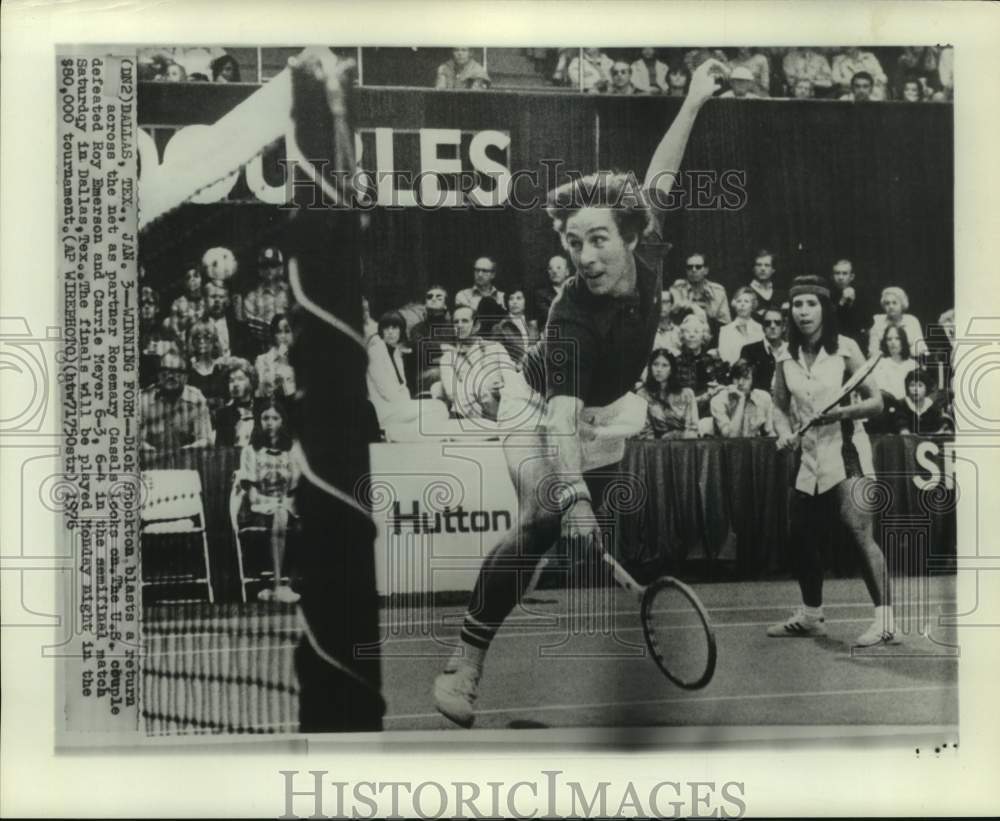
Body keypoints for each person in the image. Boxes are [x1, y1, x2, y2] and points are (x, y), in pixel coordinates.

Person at [432, 57, 728, 727]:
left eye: (598, 239)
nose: (586, 255)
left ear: (631, 236)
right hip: (536, 407)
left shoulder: (648, 253)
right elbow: (557, 422)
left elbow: (662, 175)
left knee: (570, 526)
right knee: (543, 516)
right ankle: (462, 666)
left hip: (608, 409)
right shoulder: (570, 314)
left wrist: (692, 101)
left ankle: (555, 539)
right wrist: (573, 500)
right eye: (574, 243)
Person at [767, 275, 896, 646]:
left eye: (811, 304)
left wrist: (839, 414)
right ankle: (811, 616)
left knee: (858, 532)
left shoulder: (846, 349)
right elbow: (779, 403)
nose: (803, 311)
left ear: (824, 308)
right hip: (808, 457)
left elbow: (876, 402)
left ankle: (886, 622)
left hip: (848, 452)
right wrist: (782, 432)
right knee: (800, 535)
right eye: (797, 304)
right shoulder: (784, 355)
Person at [237, 400, 301, 604]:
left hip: (286, 505)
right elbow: (252, 495)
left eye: (275, 418)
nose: (270, 423)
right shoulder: (249, 452)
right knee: (280, 514)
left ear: (282, 422)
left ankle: (288, 585)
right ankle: (275, 584)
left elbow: (293, 491)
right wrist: (275, 503)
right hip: (258, 508)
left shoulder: (292, 452)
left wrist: (284, 503)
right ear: (259, 421)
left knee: (303, 521)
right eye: (265, 418)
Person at [437, 305, 516, 422]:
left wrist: (500, 389)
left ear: (476, 325)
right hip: (470, 411)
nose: (459, 325)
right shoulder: (448, 358)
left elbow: (512, 378)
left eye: (465, 321)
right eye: (455, 322)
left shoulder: (495, 348)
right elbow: (452, 393)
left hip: (499, 406)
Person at [139, 352, 213, 454]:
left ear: (186, 377)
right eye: (165, 371)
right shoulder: (143, 399)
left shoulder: (196, 399)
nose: (170, 376)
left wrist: (184, 452)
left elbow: (205, 440)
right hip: (152, 462)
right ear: (158, 375)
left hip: (187, 461)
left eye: (177, 371)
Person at [636, 349, 699, 440]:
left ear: (672, 370)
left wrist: (675, 435)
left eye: (664, 365)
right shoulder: (642, 394)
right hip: (654, 445)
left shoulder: (686, 394)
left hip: (684, 445)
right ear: (650, 367)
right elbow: (645, 432)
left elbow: (693, 430)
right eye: (655, 364)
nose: (659, 369)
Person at [710, 359, 775, 438]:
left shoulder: (763, 398)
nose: (740, 383)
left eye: (746, 378)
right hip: (726, 448)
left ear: (753, 381)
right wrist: (741, 401)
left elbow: (769, 433)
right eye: (737, 378)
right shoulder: (718, 401)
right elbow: (732, 438)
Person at [669, 252, 732, 335]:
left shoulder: (718, 291)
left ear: (706, 270)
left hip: (711, 334)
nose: (693, 270)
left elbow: (725, 322)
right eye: (689, 267)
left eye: (698, 267)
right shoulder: (677, 288)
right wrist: (692, 307)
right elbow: (673, 310)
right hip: (683, 334)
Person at [409, 285, 453, 395]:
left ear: (445, 305)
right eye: (429, 297)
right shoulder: (417, 328)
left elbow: (457, 352)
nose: (433, 299)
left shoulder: (453, 327)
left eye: (439, 297)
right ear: (425, 304)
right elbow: (419, 345)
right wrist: (442, 347)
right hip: (427, 374)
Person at [868, 286, 926, 358]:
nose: (891, 306)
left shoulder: (912, 321)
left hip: (909, 362)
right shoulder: (878, 321)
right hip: (885, 363)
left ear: (902, 304)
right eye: (887, 303)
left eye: (894, 303)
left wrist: (902, 355)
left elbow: (920, 347)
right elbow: (873, 350)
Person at [213, 358, 260, 448]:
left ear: (251, 381)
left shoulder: (263, 410)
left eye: (240, 379)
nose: (235, 384)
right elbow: (220, 450)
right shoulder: (223, 415)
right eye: (231, 380)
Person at [739, 307, 787, 394]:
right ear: (763, 328)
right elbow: (745, 381)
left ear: (783, 327)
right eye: (768, 323)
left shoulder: (791, 351)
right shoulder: (749, 351)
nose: (772, 326)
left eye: (777, 323)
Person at [890, 368, 951, 435]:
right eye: (912, 385)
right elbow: (901, 426)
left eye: (920, 385)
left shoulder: (932, 406)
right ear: (907, 387)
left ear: (926, 388)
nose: (915, 389)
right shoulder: (901, 404)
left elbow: (940, 425)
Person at [185, 319, 229, 411]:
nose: (201, 341)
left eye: (206, 337)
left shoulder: (223, 370)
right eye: (197, 338)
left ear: (214, 341)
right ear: (192, 341)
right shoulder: (188, 372)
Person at [203, 278, 252, 359]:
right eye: (213, 296)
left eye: (221, 297)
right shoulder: (196, 326)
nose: (217, 301)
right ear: (205, 300)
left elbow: (247, 356)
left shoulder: (239, 328)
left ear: (228, 300)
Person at [254, 313, 297, 400]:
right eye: (279, 332)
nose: (283, 336)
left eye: (287, 331)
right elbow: (262, 392)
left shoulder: (301, 359)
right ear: (273, 335)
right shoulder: (262, 360)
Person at [719, 287, 764, 365]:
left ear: (752, 305)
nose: (742, 304)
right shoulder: (725, 330)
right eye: (739, 301)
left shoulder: (760, 328)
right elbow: (724, 356)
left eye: (746, 301)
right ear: (734, 304)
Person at [871, 325, 918, 400]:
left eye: (897, 338)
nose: (893, 342)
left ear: (903, 341)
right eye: (889, 339)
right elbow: (882, 390)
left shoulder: (912, 365)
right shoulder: (880, 364)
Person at [831, 258, 867, 347]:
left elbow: (868, 324)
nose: (840, 277)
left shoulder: (862, 296)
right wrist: (842, 301)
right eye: (837, 273)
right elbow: (830, 321)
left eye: (844, 273)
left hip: (857, 344)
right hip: (834, 342)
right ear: (832, 276)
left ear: (851, 277)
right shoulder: (828, 295)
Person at [747, 248, 787, 323]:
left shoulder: (781, 293)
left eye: (767, 265)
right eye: (759, 265)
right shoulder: (746, 293)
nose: (763, 268)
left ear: (773, 270)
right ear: (753, 268)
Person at [533, 254, 571, 323]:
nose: (554, 271)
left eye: (558, 267)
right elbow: (551, 316)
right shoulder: (541, 295)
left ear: (567, 272)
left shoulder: (575, 292)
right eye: (550, 268)